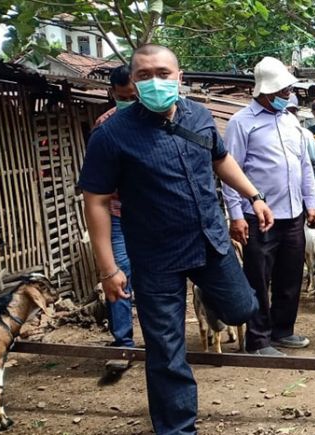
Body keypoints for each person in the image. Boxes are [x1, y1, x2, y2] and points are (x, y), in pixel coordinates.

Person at [79, 44, 271, 434]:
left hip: (210, 244)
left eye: (163, 73)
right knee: (166, 350)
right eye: (145, 75)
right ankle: (177, 428)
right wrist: (108, 268)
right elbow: (96, 201)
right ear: (132, 83)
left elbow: (220, 158)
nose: (155, 81)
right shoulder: (112, 134)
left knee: (241, 309)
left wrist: (254, 196)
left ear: (179, 77)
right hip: (155, 258)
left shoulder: (199, 116)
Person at [223, 56, 315, 357]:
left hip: (293, 215)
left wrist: (311, 202)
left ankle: (282, 331)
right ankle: (258, 340)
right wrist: (236, 215)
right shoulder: (241, 123)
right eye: (281, 92)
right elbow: (230, 171)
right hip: (257, 218)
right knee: (258, 279)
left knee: (290, 275)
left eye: (288, 90)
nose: (287, 95)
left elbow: (304, 166)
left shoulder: (292, 121)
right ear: (264, 92)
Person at [92, 65, 138, 373]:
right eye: (122, 97)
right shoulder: (104, 126)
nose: (128, 102)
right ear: (113, 94)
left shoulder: (159, 118)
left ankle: (162, 342)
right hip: (119, 214)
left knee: (156, 277)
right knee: (118, 276)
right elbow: (96, 182)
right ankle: (123, 344)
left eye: (133, 97)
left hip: (155, 214)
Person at [286, 94, 315, 202]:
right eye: (286, 111)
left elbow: (314, 161)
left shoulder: (305, 134)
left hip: (303, 189)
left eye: (292, 111)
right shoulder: (271, 134)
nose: (289, 115)